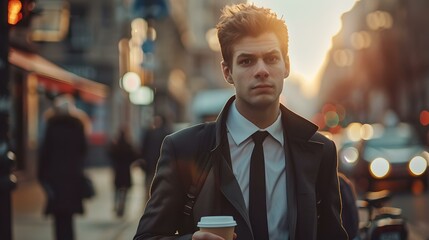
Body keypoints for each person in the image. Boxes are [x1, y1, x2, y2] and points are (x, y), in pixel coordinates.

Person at [134, 3, 348, 240]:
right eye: (247, 61)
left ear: (286, 65)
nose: (261, 70)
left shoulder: (320, 151)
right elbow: (146, 237)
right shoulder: (184, 149)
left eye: (271, 58)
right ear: (227, 72)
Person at [37, 94, 92, 240]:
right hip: (73, 176)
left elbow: (45, 153)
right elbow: (83, 151)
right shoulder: (78, 126)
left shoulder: (51, 125)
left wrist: (41, 175)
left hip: (55, 177)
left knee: (58, 217)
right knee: (69, 216)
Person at [139, 114, 172, 202]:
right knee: (148, 185)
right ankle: (149, 202)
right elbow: (143, 149)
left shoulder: (165, 133)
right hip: (150, 165)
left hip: (160, 165)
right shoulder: (149, 133)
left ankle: (154, 201)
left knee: (158, 185)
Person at [108, 126, 139, 217]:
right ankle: (122, 207)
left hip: (117, 170)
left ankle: (116, 205)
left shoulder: (116, 144)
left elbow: (110, 154)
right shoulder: (128, 145)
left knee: (117, 189)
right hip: (126, 171)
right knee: (124, 190)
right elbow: (135, 156)